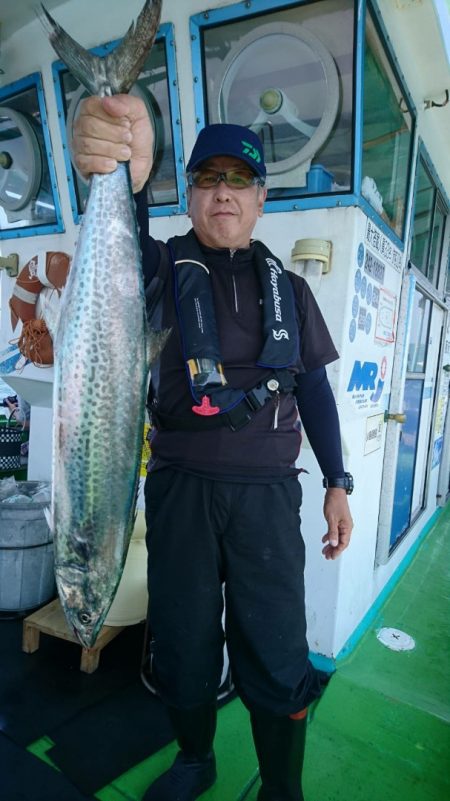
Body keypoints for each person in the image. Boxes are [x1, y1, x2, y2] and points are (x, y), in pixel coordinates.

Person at [73, 95, 354, 801]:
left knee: (278, 647)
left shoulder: (289, 288)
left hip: (267, 499)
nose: (222, 191)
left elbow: (313, 389)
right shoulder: (160, 269)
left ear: (261, 199)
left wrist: (337, 480)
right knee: (184, 641)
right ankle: (196, 759)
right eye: (207, 178)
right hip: (179, 492)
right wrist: (126, 167)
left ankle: (281, 787)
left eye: (238, 179)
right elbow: (120, 244)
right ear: (191, 194)